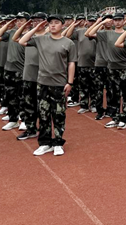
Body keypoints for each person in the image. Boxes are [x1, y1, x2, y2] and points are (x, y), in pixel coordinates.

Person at [20, 14, 77, 156]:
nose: (53, 25)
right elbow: (22, 41)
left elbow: (71, 63)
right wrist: (36, 29)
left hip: (59, 83)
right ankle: (45, 143)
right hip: (42, 83)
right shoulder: (41, 39)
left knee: (58, 114)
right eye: (51, 23)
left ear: (62, 25)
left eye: (56, 22)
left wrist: (70, 82)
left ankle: (58, 142)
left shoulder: (68, 43)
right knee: (43, 114)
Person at [14, 12, 48, 140]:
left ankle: (44, 132)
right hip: (29, 74)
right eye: (34, 21)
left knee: (43, 106)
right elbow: (16, 39)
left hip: (43, 75)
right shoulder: (29, 36)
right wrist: (27, 26)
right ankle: (31, 129)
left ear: (45, 22)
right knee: (29, 103)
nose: (36, 23)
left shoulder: (49, 36)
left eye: (39, 20)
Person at [0, 12, 30, 131]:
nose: (19, 22)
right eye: (17, 20)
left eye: (22, 20)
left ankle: (24, 120)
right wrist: (9, 23)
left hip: (22, 70)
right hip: (9, 69)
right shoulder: (11, 33)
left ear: (28, 22)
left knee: (22, 97)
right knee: (11, 96)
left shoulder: (29, 35)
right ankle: (13, 119)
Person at [66, 15, 98, 113]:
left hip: (95, 63)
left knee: (94, 86)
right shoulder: (80, 32)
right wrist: (74, 24)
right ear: (86, 22)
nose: (91, 23)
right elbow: (68, 35)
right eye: (90, 21)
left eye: (93, 21)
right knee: (83, 86)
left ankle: (94, 104)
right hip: (82, 62)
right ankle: (84, 105)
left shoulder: (98, 32)